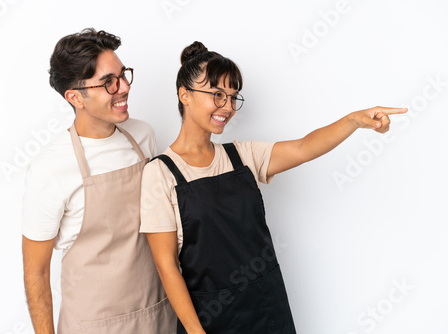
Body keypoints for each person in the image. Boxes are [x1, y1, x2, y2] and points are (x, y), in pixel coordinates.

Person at [139, 41, 407, 334]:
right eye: (217, 95)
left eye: (233, 97)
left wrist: (354, 120)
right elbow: (166, 267)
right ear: (184, 95)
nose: (227, 107)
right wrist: (195, 331)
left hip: (267, 306)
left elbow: (305, 147)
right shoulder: (160, 174)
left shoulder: (242, 156)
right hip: (209, 319)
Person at [22, 28, 176, 334]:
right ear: (75, 97)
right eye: (108, 82)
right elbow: (35, 273)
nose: (124, 87)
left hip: (158, 311)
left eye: (123, 75)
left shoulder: (143, 136)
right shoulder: (50, 168)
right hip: (93, 325)